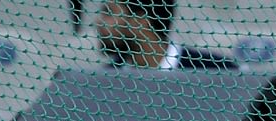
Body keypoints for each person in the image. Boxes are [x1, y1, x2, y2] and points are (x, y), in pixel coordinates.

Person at [96, 0, 237, 70]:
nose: (98, 22)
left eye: (108, 13)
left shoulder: (215, 70)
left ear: (140, 21)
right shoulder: (108, 78)